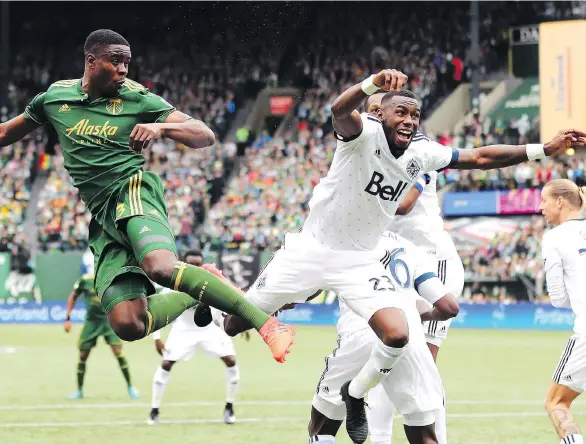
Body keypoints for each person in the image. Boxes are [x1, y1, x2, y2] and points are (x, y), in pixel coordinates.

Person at [211, 68, 586, 442]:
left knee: (397, 333)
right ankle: (209, 287)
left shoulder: (422, 154)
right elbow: (339, 109)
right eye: (400, 113)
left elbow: (481, 157)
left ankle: (356, 394)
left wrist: (544, 149)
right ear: (379, 115)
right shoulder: (362, 135)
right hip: (310, 251)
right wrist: (371, 83)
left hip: (358, 260)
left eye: (414, 115)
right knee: (232, 324)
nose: (409, 120)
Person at [0, 29, 294, 363]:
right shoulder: (54, 98)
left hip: (133, 191)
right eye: (116, 61)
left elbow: (205, 135)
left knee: (160, 268)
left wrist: (161, 128)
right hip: (104, 217)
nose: (124, 69)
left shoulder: (137, 97)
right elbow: (7, 132)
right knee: (128, 324)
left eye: (127, 62)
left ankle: (266, 324)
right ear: (91, 60)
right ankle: (202, 282)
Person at [365, 91, 465, 444]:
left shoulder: (416, 149)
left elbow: (404, 204)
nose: (376, 116)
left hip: (431, 263)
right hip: (399, 266)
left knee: (417, 369)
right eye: (372, 110)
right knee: (385, 361)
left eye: (381, 109)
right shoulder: (370, 150)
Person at [308, 231, 459, 444]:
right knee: (425, 436)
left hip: (360, 333)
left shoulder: (343, 240)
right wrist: (424, 313)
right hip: (409, 337)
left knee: (322, 428)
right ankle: (356, 393)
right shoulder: (409, 248)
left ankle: (354, 394)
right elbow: (449, 307)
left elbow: (311, 287)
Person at [148, 250, 246, 426]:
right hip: (183, 329)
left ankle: (229, 406)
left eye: (198, 264)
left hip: (210, 329)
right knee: (166, 364)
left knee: (231, 361)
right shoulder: (171, 284)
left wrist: (243, 322)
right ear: (183, 264)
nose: (195, 267)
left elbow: (230, 299)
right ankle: (154, 409)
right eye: (191, 264)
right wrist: (156, 337)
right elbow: (157, 309)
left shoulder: (211, 281)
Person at [540, 179, 586, 444]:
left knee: (557, 402)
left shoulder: (554, 237)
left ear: (559, 201)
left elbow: (557, 298)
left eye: (544, 200)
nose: (540, 207)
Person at [64, 271, 139, 400]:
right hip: (91, 322)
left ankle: (131, 387)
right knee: (83, 355)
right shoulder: (86, 280)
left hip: (110, 321)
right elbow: (73, 295)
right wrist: (68, 318)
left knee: (119, 353)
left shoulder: (113, 278)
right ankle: (79, 391)